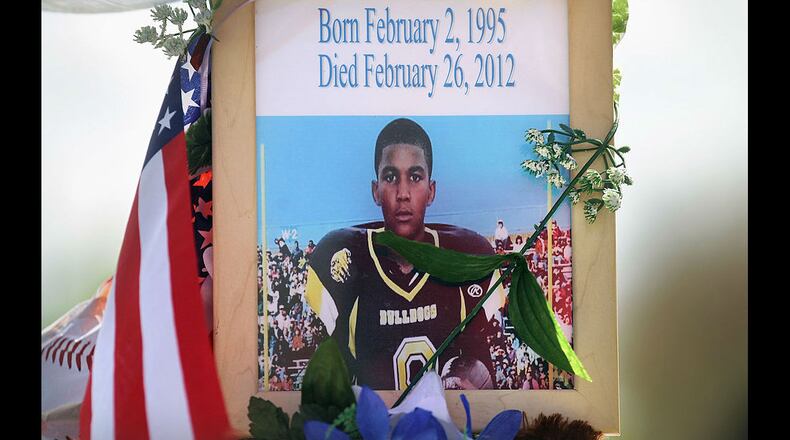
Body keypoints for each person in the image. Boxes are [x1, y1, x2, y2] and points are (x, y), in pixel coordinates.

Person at [304, 118, 506, 390]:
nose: (403, 193)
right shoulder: (344, 257)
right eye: (390, 177)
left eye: (415, 177)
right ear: (376, 191)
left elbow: (483, 377)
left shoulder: (469, 256)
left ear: (431, 190)